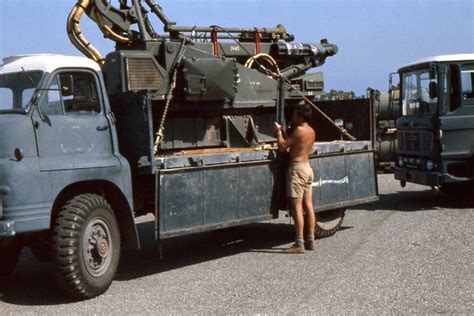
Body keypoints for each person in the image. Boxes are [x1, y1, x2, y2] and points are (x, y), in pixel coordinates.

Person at [274, 103, 316, 254]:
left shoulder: (298, 130)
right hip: (307, 167)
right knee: (308, 206)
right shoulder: (310, 130)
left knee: (297, 207)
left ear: (300, 116)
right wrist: (286, 133)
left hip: (297, 169)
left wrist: (279, 132)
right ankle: (310, 240)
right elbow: (295, 143)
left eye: (294, 114)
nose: (292, 116)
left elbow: (283, 147)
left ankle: (299, 243)